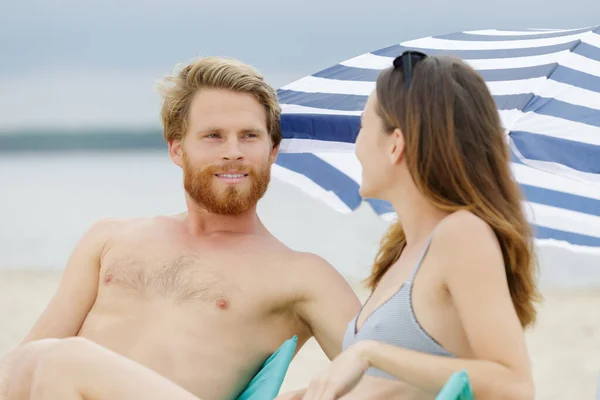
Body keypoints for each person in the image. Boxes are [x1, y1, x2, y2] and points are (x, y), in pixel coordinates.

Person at [0, 56, 361, 400]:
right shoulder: (109, 238)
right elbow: (29, 354)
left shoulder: (302, 276)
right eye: (213, 136)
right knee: (40, 360)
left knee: (63, 358)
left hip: (71, 369)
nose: (233, 151)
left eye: (249, 136)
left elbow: (384, 382)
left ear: (273, 150)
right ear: (176, 149)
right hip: (63, 384)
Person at [296, 51, 541, 399]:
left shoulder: (461, 234)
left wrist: (368, 353)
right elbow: (403, 384)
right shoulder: (402, 251)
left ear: (396, 143)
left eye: (362, 128)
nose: (357, 146)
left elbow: (513, 385)